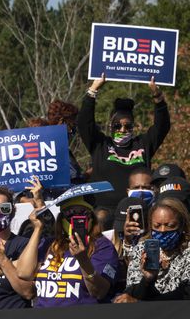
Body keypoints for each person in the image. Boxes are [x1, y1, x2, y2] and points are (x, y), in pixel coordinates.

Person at [78, 74, 170, 209]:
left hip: (137, 208)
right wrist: (93, 89)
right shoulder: (100, 144)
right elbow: (84, 123)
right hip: (104, 210)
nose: (122, 129)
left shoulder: (143, 144)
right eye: (117, 126)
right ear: (110, 126)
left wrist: (157, 96)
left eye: (128, 126)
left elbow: (162, 126)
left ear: (134, 126)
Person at [17, 197, 120, 306]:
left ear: (91, 219)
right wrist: (38, 229)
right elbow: (24, 273)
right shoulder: (49, 244)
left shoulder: (102, 246)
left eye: (84, 213)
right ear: (61, 220)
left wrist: (83, 260)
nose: (77, 218)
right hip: (45, 318)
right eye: (70, 214)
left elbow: (99, 292)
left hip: (79, 318)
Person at [115, 198, 190, 302]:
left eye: (170, 226)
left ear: (182, 225)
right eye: (157, 226)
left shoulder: (187, 252)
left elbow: (185, 294)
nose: (162, 230)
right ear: (150, 226)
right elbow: (132, 291)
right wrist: (147, 280)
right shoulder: (142, 249)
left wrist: (142, 303)